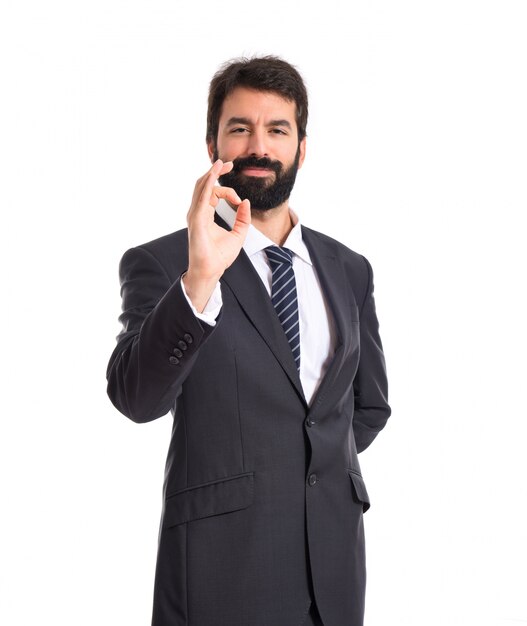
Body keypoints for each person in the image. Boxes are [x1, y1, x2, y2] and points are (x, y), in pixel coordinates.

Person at [107, 55, 391, 626]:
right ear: (212, 144)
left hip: (334, 568)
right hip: (222, 570)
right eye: (240, 128)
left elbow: (368, 405)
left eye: (277, 129)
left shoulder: (349, 269)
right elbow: (137, 399)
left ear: (301, 148)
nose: (258, 146)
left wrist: (315, 478)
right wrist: (199, 280)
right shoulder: (166, 263)